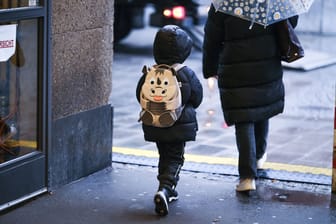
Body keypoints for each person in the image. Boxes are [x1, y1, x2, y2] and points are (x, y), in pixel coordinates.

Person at [202, 4, 297, 192]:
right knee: (262, 109)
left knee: (243, 117)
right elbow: (291, 21)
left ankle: (247, 177)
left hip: (234, 66)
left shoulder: (224, 4)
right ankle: (259, 156)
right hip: (266, 62)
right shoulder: (271, 2)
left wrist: (210, 69)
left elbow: (211, 38)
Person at [136, 25, 203, 215]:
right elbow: (197, 97)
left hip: (155, 124)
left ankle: (164, 187)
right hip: (178, 125)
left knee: (164, 155)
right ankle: (166, 188)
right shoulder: (185, 73)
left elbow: (138, 94)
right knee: (175, 157)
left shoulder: (151, 72)